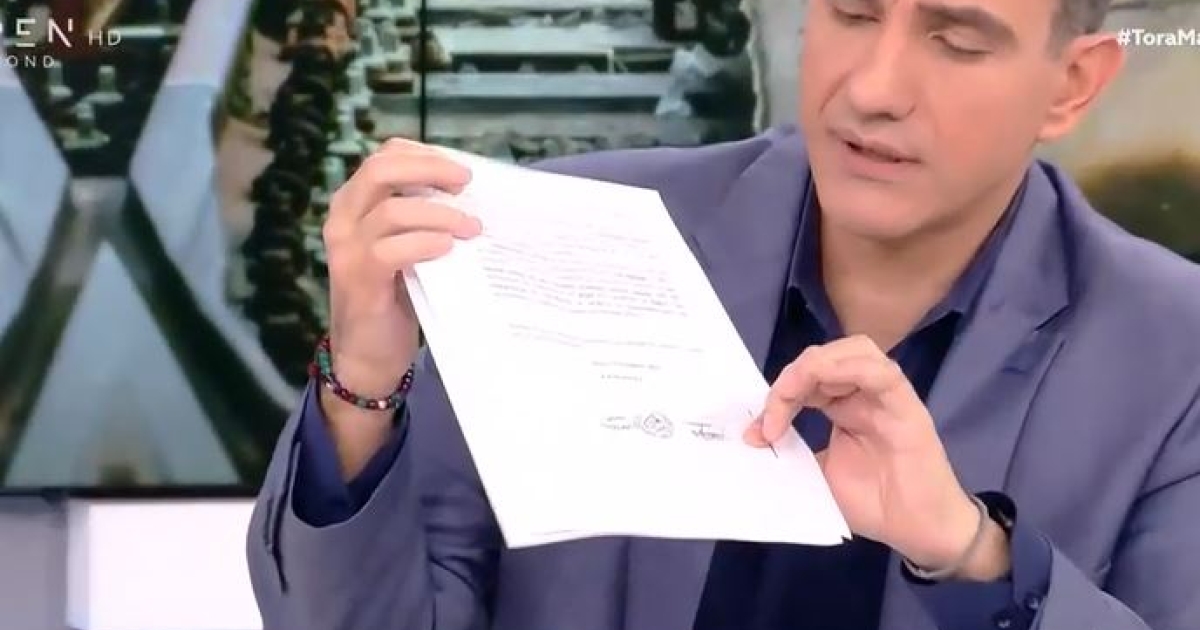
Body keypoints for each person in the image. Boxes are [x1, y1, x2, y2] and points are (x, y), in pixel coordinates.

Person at [246, 0, 1200, 628]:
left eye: (955, 40)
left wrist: (972, 554)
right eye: (852, 13)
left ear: (1072, 85)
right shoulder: (563, 234)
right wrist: (362, 380)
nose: (873, 89)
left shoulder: (1174, 357)